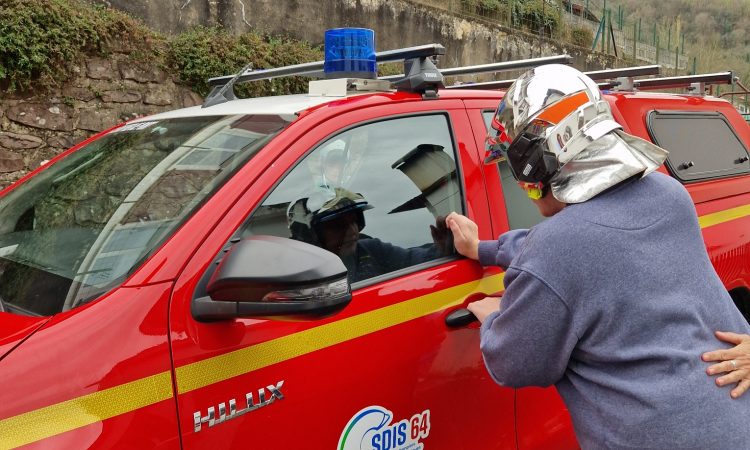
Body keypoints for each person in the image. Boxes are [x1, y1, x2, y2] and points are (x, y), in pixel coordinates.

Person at [446, 64, 750, 449]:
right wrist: (482, 250)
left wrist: (494, 320)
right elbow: (585, 244)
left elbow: (514, 363)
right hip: (734, 420)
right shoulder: (669, 196)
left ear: (536, 162)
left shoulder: (558, 247)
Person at [288, 187, 451, 283]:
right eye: (338, 226)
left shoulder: (371, 250)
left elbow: (415, 259)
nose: (353, 231)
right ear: (310, 235)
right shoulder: (297, 275)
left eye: (354, 222)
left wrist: (444, 248)